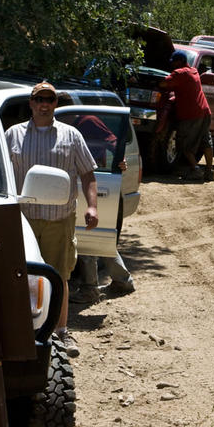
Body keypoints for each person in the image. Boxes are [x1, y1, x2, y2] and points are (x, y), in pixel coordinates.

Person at [5, 82, 98, 358]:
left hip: (59, 219)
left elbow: (87, 174)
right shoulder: (14, 135)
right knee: (19, 274)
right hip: (23, 221)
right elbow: (3, 174)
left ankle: (60, 333)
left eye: (50, 99)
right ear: (31, 103)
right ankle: (19, 329)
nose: (44, 104)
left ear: (55, 103)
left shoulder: (71, 136)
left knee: (58, 276)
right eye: (39, 99)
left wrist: (92, 207)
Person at [67, 114, 135, 305]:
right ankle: (123, 280)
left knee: (86, 237)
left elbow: (113, 141)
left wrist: (119, 161)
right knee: (99, 236)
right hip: (77, 183)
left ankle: (90, 290)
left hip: (93, 181)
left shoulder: (88, 121)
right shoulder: (58, 128)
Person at [159, 50, 214, 181]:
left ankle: (196, 170)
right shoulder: (194, 71)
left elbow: (163, 84)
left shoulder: (180, 73)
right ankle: (209, 171)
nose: (172, 65)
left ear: (181, 62)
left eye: (174, 62)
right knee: (206, 142)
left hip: (191, 114)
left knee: (185, 144)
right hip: (205, 112)